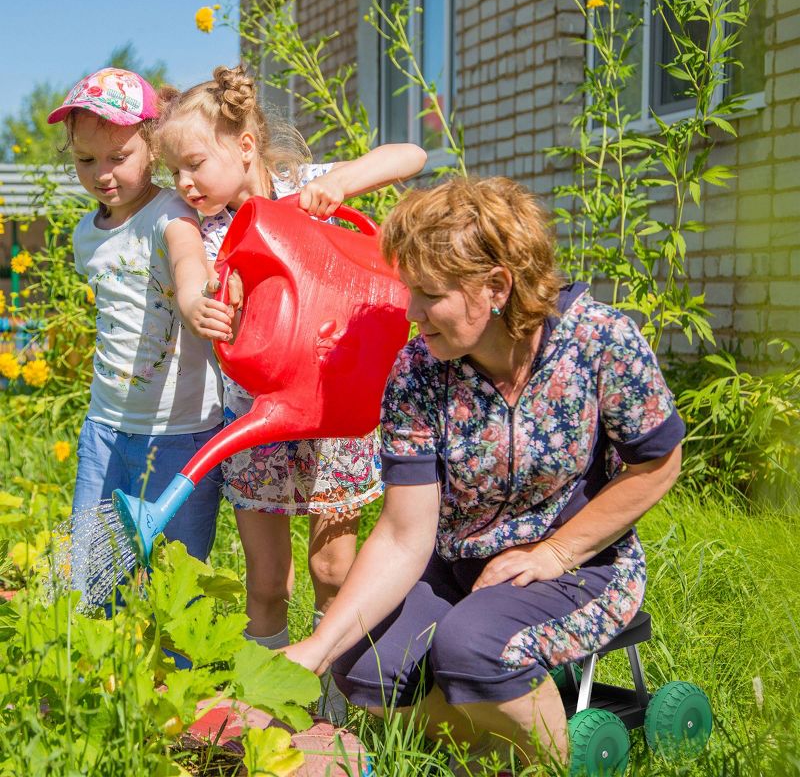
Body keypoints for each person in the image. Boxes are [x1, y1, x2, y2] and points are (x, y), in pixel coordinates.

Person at [282, 177, 684, 771]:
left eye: (428, 295)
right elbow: (401, 533)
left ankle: (551, 762)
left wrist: (557, 553)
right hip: (459, 565)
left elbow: (657, 463)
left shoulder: (600, 341)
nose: (410, 312)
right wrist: (317, 647)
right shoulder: (419, 370)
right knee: (365, 665)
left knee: (473, 646)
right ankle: (497, 752)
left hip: (585, 565)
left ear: (495, 286)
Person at [156, 65, 427, 720]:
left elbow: (412, 154)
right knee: (266, 584)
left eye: (194, 164)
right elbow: (188, 269)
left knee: (335, 571)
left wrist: (341, 181)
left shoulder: (308, 189)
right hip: (261, 425)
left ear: (244, 145)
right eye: (175, 174)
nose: (184, 184)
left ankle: (333, 704)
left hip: (338, 418)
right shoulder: (202, 226)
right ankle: (271, 709)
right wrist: (199, 304)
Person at [47, 68, 225, 577]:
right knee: (90, 573)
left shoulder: (169, 211)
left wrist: (193, 300)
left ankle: (175, 661)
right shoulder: (88, 234)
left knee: (178, 578)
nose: (102, 173)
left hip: (182, 432)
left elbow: (188, 256)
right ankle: (95, 656)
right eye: (86, 159)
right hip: (104, 428)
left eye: (118, 157)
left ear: (151, 146)